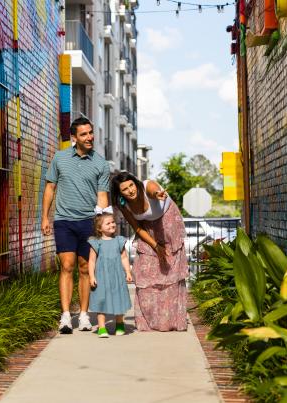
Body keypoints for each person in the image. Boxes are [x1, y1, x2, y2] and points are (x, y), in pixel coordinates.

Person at [42, 117, 110, 334]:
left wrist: (103, 226)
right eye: (84, 134)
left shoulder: (100, 163)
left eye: (91, 132)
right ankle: (64, 317)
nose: (90, 137)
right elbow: (50, 188)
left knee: (84, 268)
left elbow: (102, 198)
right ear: (74, 138)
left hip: (89, 223)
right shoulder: (60, 158)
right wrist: (44, 217)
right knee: (67, 266)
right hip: (64, 220)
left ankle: (83, 315)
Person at [111, 172, 188, 332]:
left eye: (131, 185)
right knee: (146, 271)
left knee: (170, 273)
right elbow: (137, 227)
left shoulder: (147, 187)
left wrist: (157, 194)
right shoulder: (123, 203)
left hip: (167, 221)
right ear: (120, 193)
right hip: (147, 228)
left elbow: (154, 190)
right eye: (125, 189)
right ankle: (149, 321)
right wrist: (155, 246)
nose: (130, 190)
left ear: (136, 183)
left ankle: (171, 321)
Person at [87, 209, 133, 338]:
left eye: (113, 222)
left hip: (117, 277)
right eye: (108, 223)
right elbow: (91, 261)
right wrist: (92, 276)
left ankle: (119, 324)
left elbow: (124, 257)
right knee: (101, 301)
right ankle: (102, 328)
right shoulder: (96, 243)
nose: (112, 225)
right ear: (99, 228)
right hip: (102, 277)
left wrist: (128, 272)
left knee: (118, 300)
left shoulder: (119, 241)